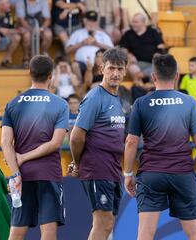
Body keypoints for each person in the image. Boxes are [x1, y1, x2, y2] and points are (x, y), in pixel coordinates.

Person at [123, 54, 196, 240]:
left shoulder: (141, 103)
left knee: (145, 234)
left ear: (153, 77)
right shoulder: (189, 102)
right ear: (177, 76)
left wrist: (128, 174)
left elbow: (131, 142)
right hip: (182, 173)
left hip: (151, 174)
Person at [1, 55, 69, 240]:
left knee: (17, 229)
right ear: (51, 76)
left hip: (23, 175)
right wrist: (24, 158)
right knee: (48, 230)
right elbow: (55, 143)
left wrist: (16, 172)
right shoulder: (60, 104)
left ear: (29, 73)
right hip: (49, 174)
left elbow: (5, 143)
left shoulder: (13, 104)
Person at [69, 48, 127, 240]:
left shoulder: (116, 98)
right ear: (102, 69)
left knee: (108, 222)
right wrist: (77, 163)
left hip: (112, 167)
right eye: (111, 68)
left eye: (120, 69)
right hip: (97, 166)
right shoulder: (95, 97)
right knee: (103, 223)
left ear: (126, 71)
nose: (116, 73)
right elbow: (76, 136)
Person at [65, 11, 114, 82]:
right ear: (85, 20)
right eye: (89, 20)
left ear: (97, 22)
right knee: (74, 65)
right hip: (82, 64)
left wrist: (96, 43)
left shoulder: (103, 34)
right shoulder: (77, 33)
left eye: (94, 21)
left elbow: (112, 50)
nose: (91, 23)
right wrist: (82, 43)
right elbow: (67, 50)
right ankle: (81, 86)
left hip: (99, 65)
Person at [0, 0, 30, 68]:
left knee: (17, 37)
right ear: (0, 5)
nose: (9, 4)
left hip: (3, 41)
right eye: (7, 3)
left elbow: (11, 29)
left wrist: (19, 30)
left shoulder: (8, 14)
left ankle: (6, 59)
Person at [119, 13, 165, 80]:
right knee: (132, 68)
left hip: (153, 62)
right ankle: (140, 87)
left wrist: (157, 54)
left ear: (143, 23)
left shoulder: (153, 32)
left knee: (170, 68)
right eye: (133, 21)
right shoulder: (128, 34)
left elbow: (161, 46)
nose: (133, 24)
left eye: (136, 22)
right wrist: (129, 55)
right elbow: (123, 49)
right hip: (137, 63)